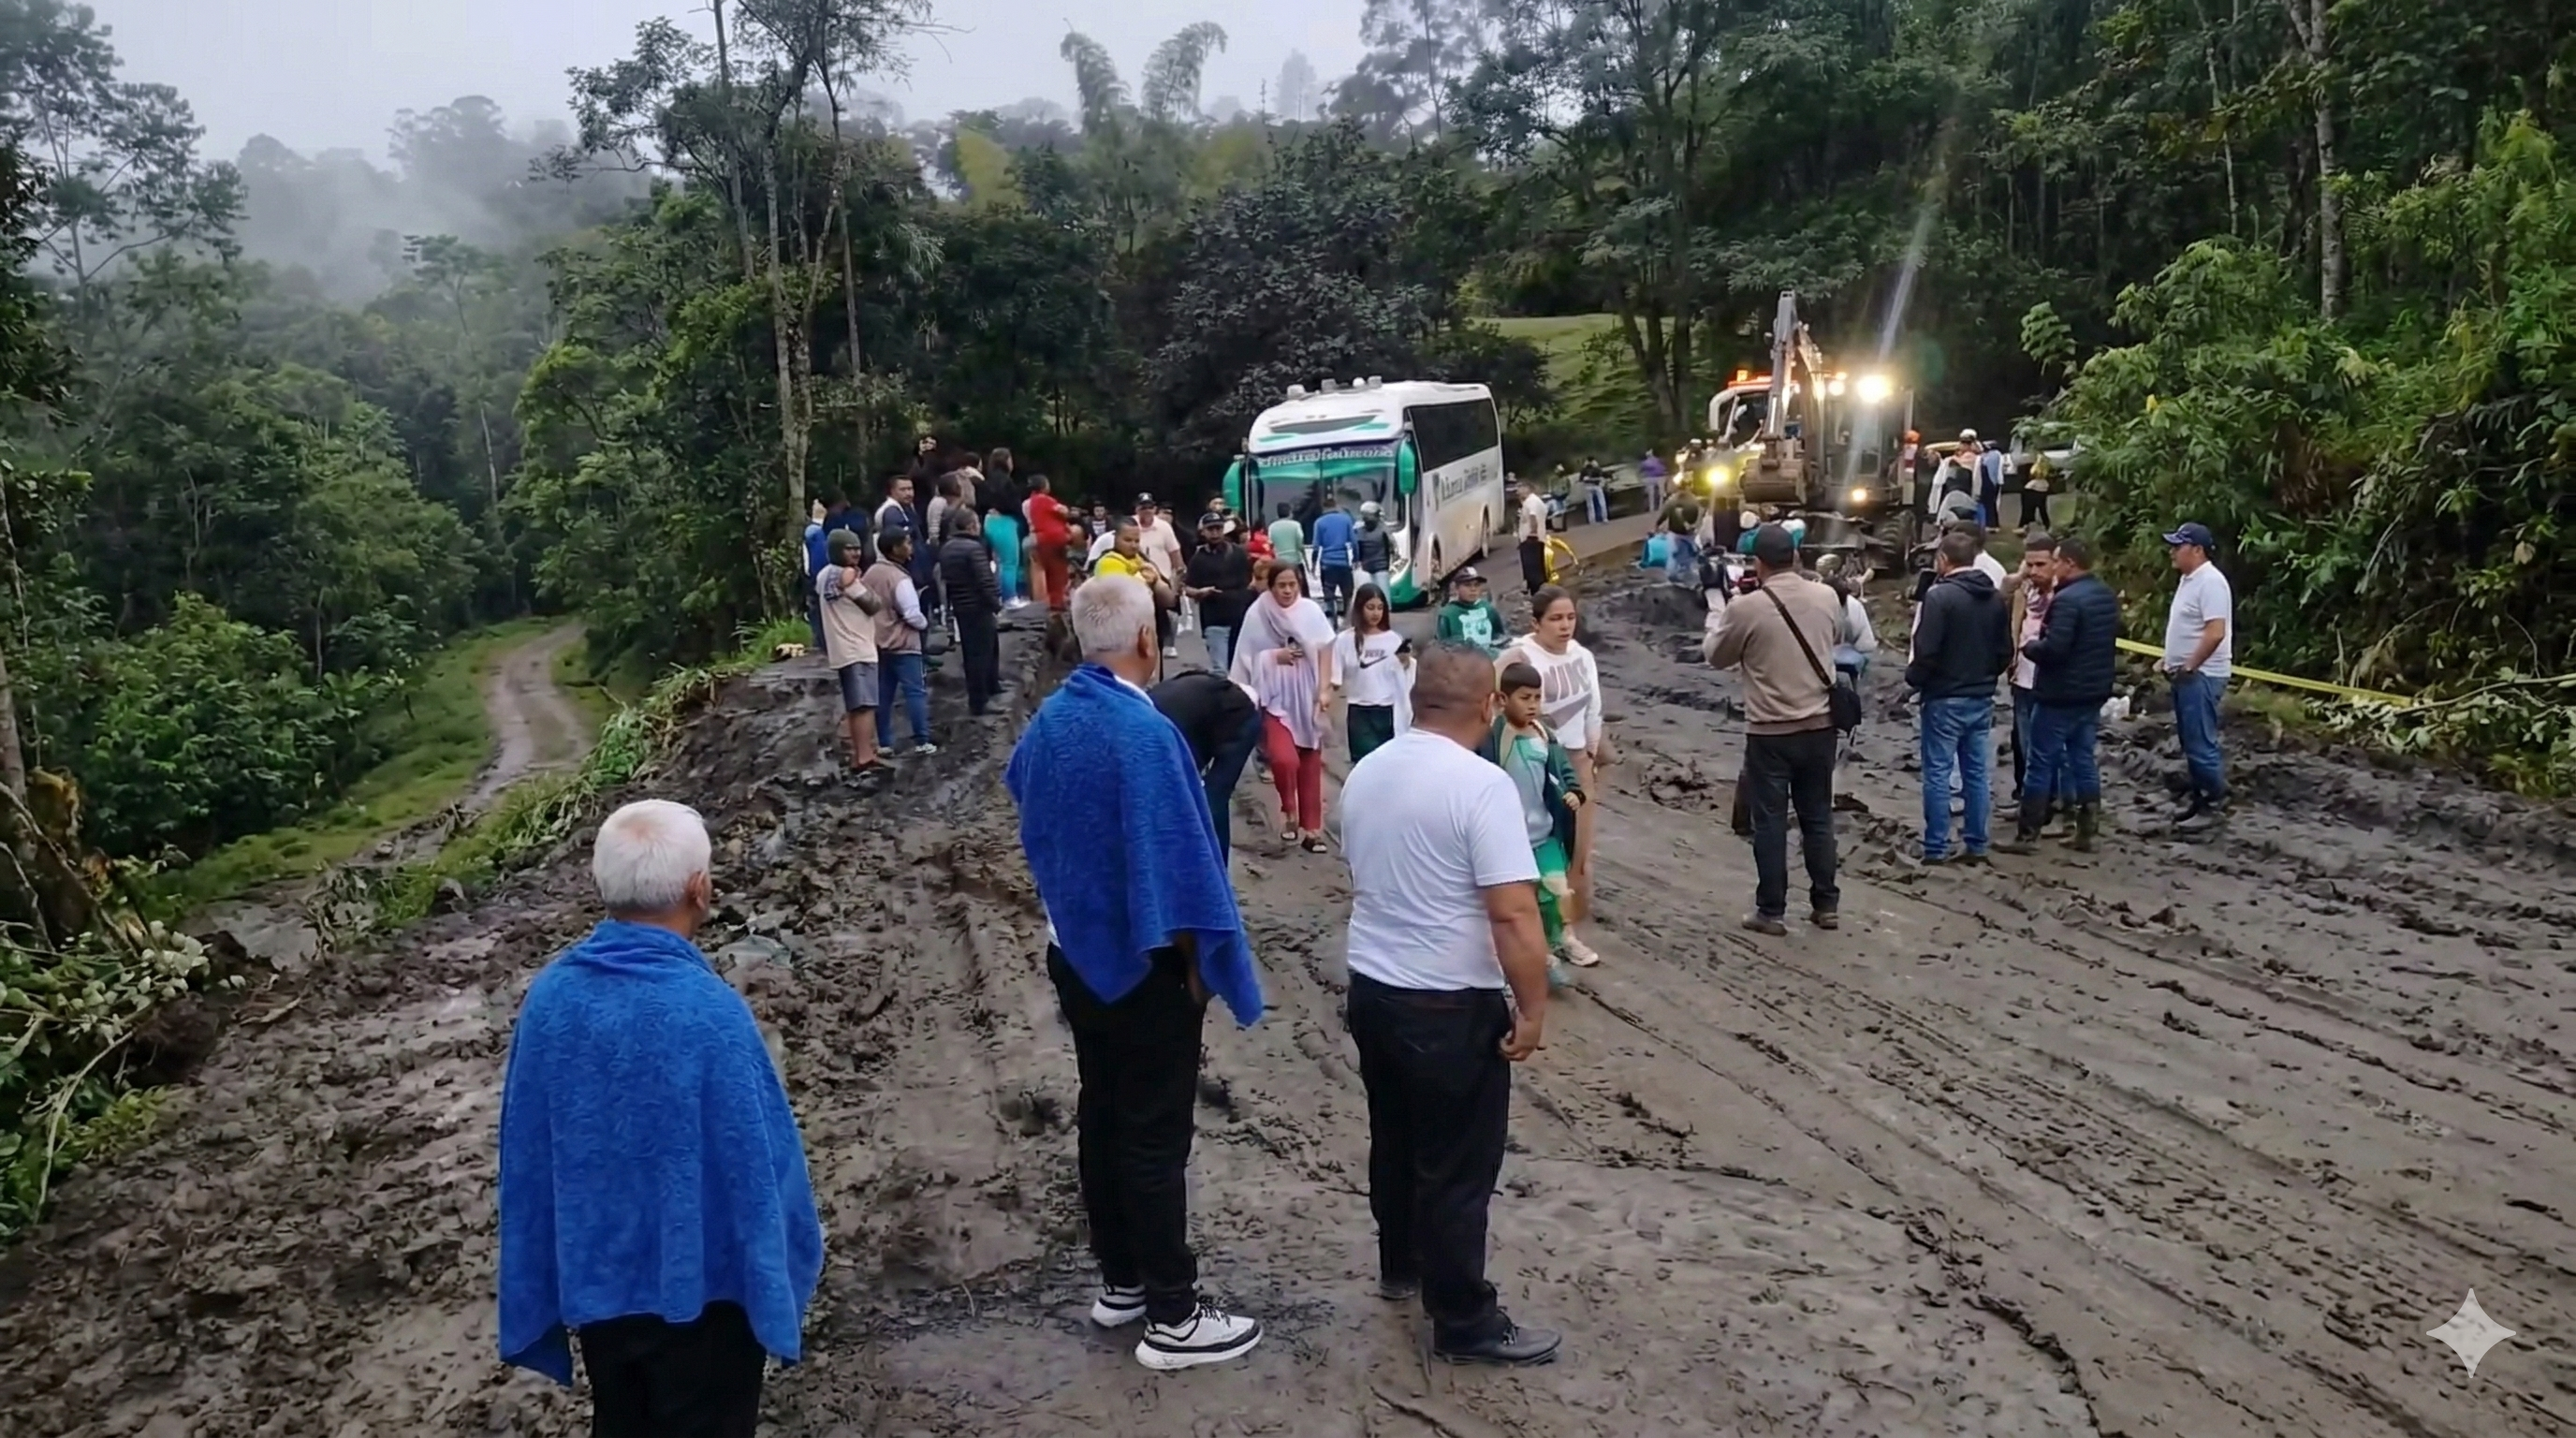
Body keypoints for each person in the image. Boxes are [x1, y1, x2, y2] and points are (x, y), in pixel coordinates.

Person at [1003, 576, 1266, 1372]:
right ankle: (1174, 1316)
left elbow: (1026, 799)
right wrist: (1198, 966)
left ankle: (1121, 1282)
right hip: (1146, 962)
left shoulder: (1051, 721)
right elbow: (1184, 863)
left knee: (1104, 1115)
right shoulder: (1143, 733)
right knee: (1154, 1134)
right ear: (1148, 639)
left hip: (1075, 953)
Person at [497, 800, 824, 1435]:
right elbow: (761, 1166)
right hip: (706, 1300)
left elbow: (527, 1153)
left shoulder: (550, 1000)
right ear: (701, 889)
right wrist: (781, 1262)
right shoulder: (711, 1012)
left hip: (601, 1289)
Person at [1339, 641, 1562, 1368]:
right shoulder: (1481, 785)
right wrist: (1532, 1007)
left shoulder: (1367, 772)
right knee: (1458, 1165)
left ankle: (1401, 1262)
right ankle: (1463, 1318)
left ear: (1415, 699)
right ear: (1489, 706)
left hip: (1375, 987)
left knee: (1396, 1135)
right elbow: (1514, 914)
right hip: (1448, 1000)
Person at [1702, 523, 1845, 933]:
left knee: (1770, 821)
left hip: (1770, 731)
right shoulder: (1826, 596)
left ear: (1758, 563)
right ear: (1795, 557)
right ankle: (1826, 905)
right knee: (1818, 816)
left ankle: (1771, 910)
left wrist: (1717, 617)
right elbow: (1835, 636)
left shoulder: (1746, 608)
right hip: (1820, 726)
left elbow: (1716, 656)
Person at [1498, 588, 1605, 966]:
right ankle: (1529, 936)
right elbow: (1494, 694)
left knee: (1575, 849)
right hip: (1530, 758)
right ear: (1536, 622)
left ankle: (1565, 933)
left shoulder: (1583, 656)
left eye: (1570, 617)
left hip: (1573, 760)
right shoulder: (1520, 654)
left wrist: (1591, 753)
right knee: (1534, 844)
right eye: (1556, 619)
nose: (1565, 626)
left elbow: (1594, 707)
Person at [2000, 536, 2118, 854]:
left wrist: (2030, 648)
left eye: (2055, 561)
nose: (2051, 568)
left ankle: (2028, 834)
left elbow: (2056, 648)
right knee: (2083, 759)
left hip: (2060, 693)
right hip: (2092, 691)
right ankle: (2086, 830)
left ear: (2068, 563)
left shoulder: (2066, 601)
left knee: (2040, 762)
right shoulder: (2104, 596)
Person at [1906, 528, 2012, 864]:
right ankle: (1976, 843)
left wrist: (1914, 681)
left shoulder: (1939, 597)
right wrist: (1986, 676)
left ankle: (1936, 846)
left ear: (1943, 559)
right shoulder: (1994, 598)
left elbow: (1927, 649)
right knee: (1976, 773)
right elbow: (2005, 650)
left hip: (1944, 696)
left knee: (1938, 773)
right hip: (1980, 696)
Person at [1483, 660, 1585, 990]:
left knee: (1557, 891)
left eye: (1537, 698)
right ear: (1503, 699)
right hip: (1510, 839)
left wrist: (1574, 793)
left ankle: (1558, 941)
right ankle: (1540, 959)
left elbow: (1563, 770)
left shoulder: (1544, 735)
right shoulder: (1494, 738)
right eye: (1525, 698)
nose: (1532, 705)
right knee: (1520, 904)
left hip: (1545, 831)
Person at [1229, 561, 1337, 853]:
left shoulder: (1310, 611)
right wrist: (1275, 656)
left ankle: (1312, 830)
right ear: (1271, 586)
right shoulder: (1258, 614)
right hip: (1274, 697)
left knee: (1310, 761)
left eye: (1292, 585)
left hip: (1307, 695)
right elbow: (1247, 655)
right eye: (1281, 585)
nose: (1287, 591)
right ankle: (1289, 807)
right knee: (1283, 759)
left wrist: (1324, 688)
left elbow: (1326, 648)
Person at [2162, 521, 2233, 833]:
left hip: (2202, 674)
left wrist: (2191, 665)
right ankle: (2200, 800)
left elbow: (2215, 632)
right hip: (2188, 673)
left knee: (2201, 743)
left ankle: (2214, 803)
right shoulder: (2189, 580)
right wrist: (2170, 659)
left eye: (2178, 547)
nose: (2172, 552)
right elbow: (2188, 626)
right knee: (2191, 742)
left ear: (2198, 550)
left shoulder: (2211, 582)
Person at [1151, 667, 1264, 862]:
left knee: (1213, 798)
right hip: (1195, 718)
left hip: (1234, 718)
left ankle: (1215, 866)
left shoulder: (1151, 727)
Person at [814, 529, 886, 785]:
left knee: (856, 705)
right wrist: (861, 583)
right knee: (865, 705)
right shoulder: (846, 576)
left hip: (842, 648)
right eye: (849, 548)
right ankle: (865, 756)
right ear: (837, 550)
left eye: (857, 548)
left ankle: (860, 754)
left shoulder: (824, 575)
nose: (855, 553)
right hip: (857, 647)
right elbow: (873, 604)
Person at [862, 532, 936, 756]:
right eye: (906, 543)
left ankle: (885, 742)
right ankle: (922, 740)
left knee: (883, 695)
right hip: (904, 643)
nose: (910, 547)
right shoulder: (899, 578)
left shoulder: (870, 574)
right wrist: (924, 624)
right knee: (915, 692)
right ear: (895, 549)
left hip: (878, 642)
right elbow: (911, 613)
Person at [2004, 532, 2059, 818]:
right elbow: (2010, 608)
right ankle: (2028, 798)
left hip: (2051, 679)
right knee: (2023, 743)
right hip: (2022, 676)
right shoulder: (2025, 589)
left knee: (2047, 747)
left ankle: (2049, 802)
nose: (2035, 571)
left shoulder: (2063, 593)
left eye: (2041, 564)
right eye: (2030, 564)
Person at [1331, 584, 1412, 762]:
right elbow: (1334, 679)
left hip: (1387, 710)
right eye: (1370, 607)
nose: (1376, 613)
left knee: (1387, 763)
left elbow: (1404, 677)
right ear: (1360, 608)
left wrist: (1405, 663)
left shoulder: (1393, 639)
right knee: (1363, 763)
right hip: (1359, 711)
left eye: (1380, 608)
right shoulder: (1345, 640)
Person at [939, 508, 1006, 716]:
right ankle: (980, 701)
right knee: (981, 654)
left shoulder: (947, 548)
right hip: (978, 606)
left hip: (961, 606)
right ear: (971, 526)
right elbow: (984, 580)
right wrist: (996, 604)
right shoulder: (974, 548)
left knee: (978, 650)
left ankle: (992, 685)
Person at [1183, 511, 1254, 678]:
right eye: (1211, 529)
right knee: (1220, 671)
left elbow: (1251, 580)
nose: (1215, 533)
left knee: (1239, 669)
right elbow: (1187, 588)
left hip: (1240, 618)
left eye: (1218, 529)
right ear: (1203, 532)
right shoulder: (1198, 558)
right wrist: (1200, 593)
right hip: (1214, 619)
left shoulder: (1238, 553)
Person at [982, 448, 1028, 609]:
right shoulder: (1005, 481)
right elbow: (1011, 504)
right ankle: (1009, 598)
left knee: (999, 562)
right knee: (1009, 562)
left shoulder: (988, 480)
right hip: (1004, 521)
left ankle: (1001, 596)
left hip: (990, 520)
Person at [1436, 566, 1508, 655]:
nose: (1473, 589)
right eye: (1467, 585)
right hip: (1462, 659)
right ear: (1457, 588)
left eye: (1476, 585)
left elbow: (1500, 636)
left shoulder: (1489, 609)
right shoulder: (1448, 614)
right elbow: (1443, 646)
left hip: (1491, 657)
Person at [1028, 474, 1073, 612]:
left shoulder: (1030, 502)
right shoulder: (1045, 500)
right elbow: (1063, 511)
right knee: (1058, 571)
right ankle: (1058, 601)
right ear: (1043, 486)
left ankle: (1047, 602)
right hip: (1054, 538)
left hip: (1040, 538)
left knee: (1045, 571)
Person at [1314, 499, 1357, 623]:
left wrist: (1313, 563)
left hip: (1327, 564)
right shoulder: (1346, 520)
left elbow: (1316, 546)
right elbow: (1354, 542)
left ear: (1324, 508)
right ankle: (1348, 621)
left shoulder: (1319, 522)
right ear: (1336, 506)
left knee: (1329, 595)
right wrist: (1356, 558)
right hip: (1343, 563)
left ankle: (1332, 622)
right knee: (1347, 594)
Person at [1515, 478, 1549, 594]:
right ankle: (1535, 590)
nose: (1517, 491)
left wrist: (1532, 533)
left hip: (1531, 540)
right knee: (1534, 567)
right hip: (1534, 539)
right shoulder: (1531, 501)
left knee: (1532, 568)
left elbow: (1533, 517)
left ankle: (1537, 592)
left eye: (1519, 488)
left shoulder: (1532, 502)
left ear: (1527, 488)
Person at [1353, 500, 1394, 596]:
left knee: (1368, 596)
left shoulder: (1358, 531)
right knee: (1383, 596)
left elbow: (1357, 549)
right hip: (1381, 568)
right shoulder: (1384, 529)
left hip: (1366, 568)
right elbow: (1392, 547)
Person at [873, 474, 917, 563]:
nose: (908, 493)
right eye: (903, 490)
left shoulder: (906, 508)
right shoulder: (891, 511)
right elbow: (898, 542)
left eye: (910, 489)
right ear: (892, 491)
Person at [1266, 503, 1307, 574]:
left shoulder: (1272, 527)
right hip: (1295, 561)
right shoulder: (1296, 525)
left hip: (1279, 563)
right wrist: (1305, 559)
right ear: (1290, 513)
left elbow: (1270, 544)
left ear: (1277, 514)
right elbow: (1300, 544)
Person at [2020, 452, 2055, 529]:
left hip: (2032, 492)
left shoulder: (2035, 472)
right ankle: (2046, 523)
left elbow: (2028, 486)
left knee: (2028, 509)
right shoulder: (2045, 479)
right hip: (2042, 492)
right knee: (2043, 510)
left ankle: (2026, 523)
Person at [1577, 456, 1610, 526]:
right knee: (1597, 503)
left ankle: (1597, 519)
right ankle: (1598, 519)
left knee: (1594, 504)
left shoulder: (1593, 469)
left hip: (1591, 486)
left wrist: (1589, 479)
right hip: (1592, 486)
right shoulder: (1589, 469)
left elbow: (1600, 477)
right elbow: (1581, 479)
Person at [1639, 449, 1669, 513]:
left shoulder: (1647, 462)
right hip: (1656, 477)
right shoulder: (1656, 461)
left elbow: (1641, 471)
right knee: (1657, 493)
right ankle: (1656, 507)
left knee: (1655, 494)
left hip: (1654, 477)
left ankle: (1654, 508)